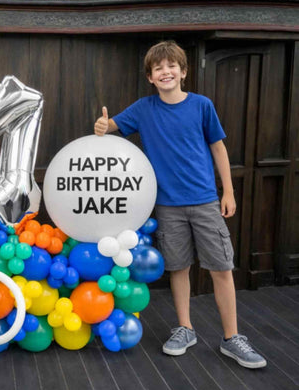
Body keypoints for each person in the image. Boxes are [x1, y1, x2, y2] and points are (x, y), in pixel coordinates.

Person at [94, 40, 266, 369]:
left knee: (221, 269)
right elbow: (111, 126)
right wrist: (103, 125)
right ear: (150, 77)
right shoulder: (143, 109)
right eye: (158, 68)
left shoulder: (202, 105)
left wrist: (227, 192)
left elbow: (219, 149)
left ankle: (232, 338)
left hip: (204, 202)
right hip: (167, 206)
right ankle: (185, 328)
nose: (165, 71)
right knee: (178, 268)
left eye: (171, 66)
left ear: (183, 72)